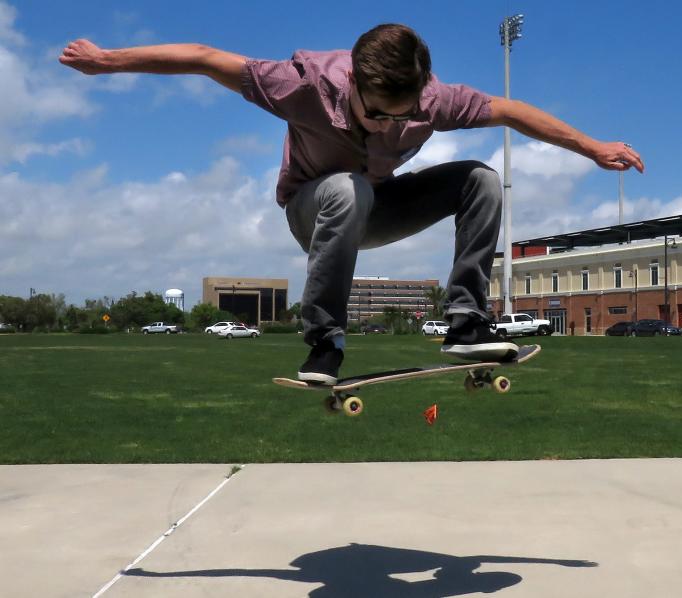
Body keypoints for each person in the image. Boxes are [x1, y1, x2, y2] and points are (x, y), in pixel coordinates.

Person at [60, 23, 644, 384]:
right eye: (381, 115)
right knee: (347, 186)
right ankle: (323, 341)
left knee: (482, 180)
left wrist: (591, 147)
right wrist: (108, 60)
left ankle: (466, 323)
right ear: (354, 87)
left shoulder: (431, 99)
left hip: (379, 206)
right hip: (312, 210)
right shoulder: (301, 84)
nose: (397, 125)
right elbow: (205, 56)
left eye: (408, 115)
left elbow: (512, 110)